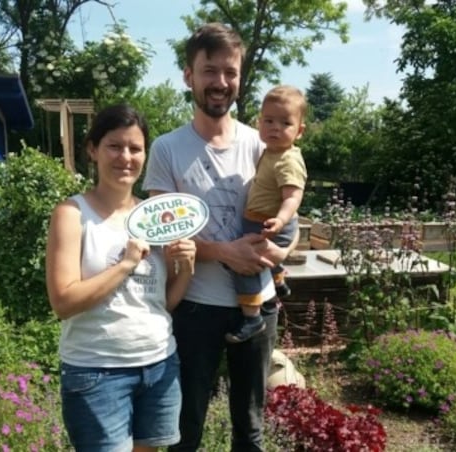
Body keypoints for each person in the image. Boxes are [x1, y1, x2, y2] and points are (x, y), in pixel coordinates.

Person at [142, 23, 296, 452]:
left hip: (259, 309)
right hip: (194, 309)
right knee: (184, 426)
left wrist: (282, 249)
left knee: (250, 428)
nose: (221, 83)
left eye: (230, 72)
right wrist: (226, 252)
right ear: (188, 75)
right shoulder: (167, 149)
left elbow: (289, 216)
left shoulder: (263, 142)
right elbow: (160, 236)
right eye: (210, 71)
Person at [45, 104, 196, 452]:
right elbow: (63, 303)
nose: (125, 157)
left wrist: (186, 266)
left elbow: (162, 304)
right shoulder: (72, 214)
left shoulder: (154, 218)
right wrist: (126, 263)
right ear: (92, 149)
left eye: (135, 148)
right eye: (114, 145)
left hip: (159, 364)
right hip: (98, 373)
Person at [225, 85, 308, 344]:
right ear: (259, 123)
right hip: (260, 219)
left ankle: (252, 318)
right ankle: (279, 279)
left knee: (245, 265)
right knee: (260, 260)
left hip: (270, 223)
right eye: (269, 120)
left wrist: (281, 220)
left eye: (285, 123)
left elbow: (293, 196)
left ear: (300, 131)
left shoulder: (288, 160)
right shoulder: (271, 152)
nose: (275, 127)